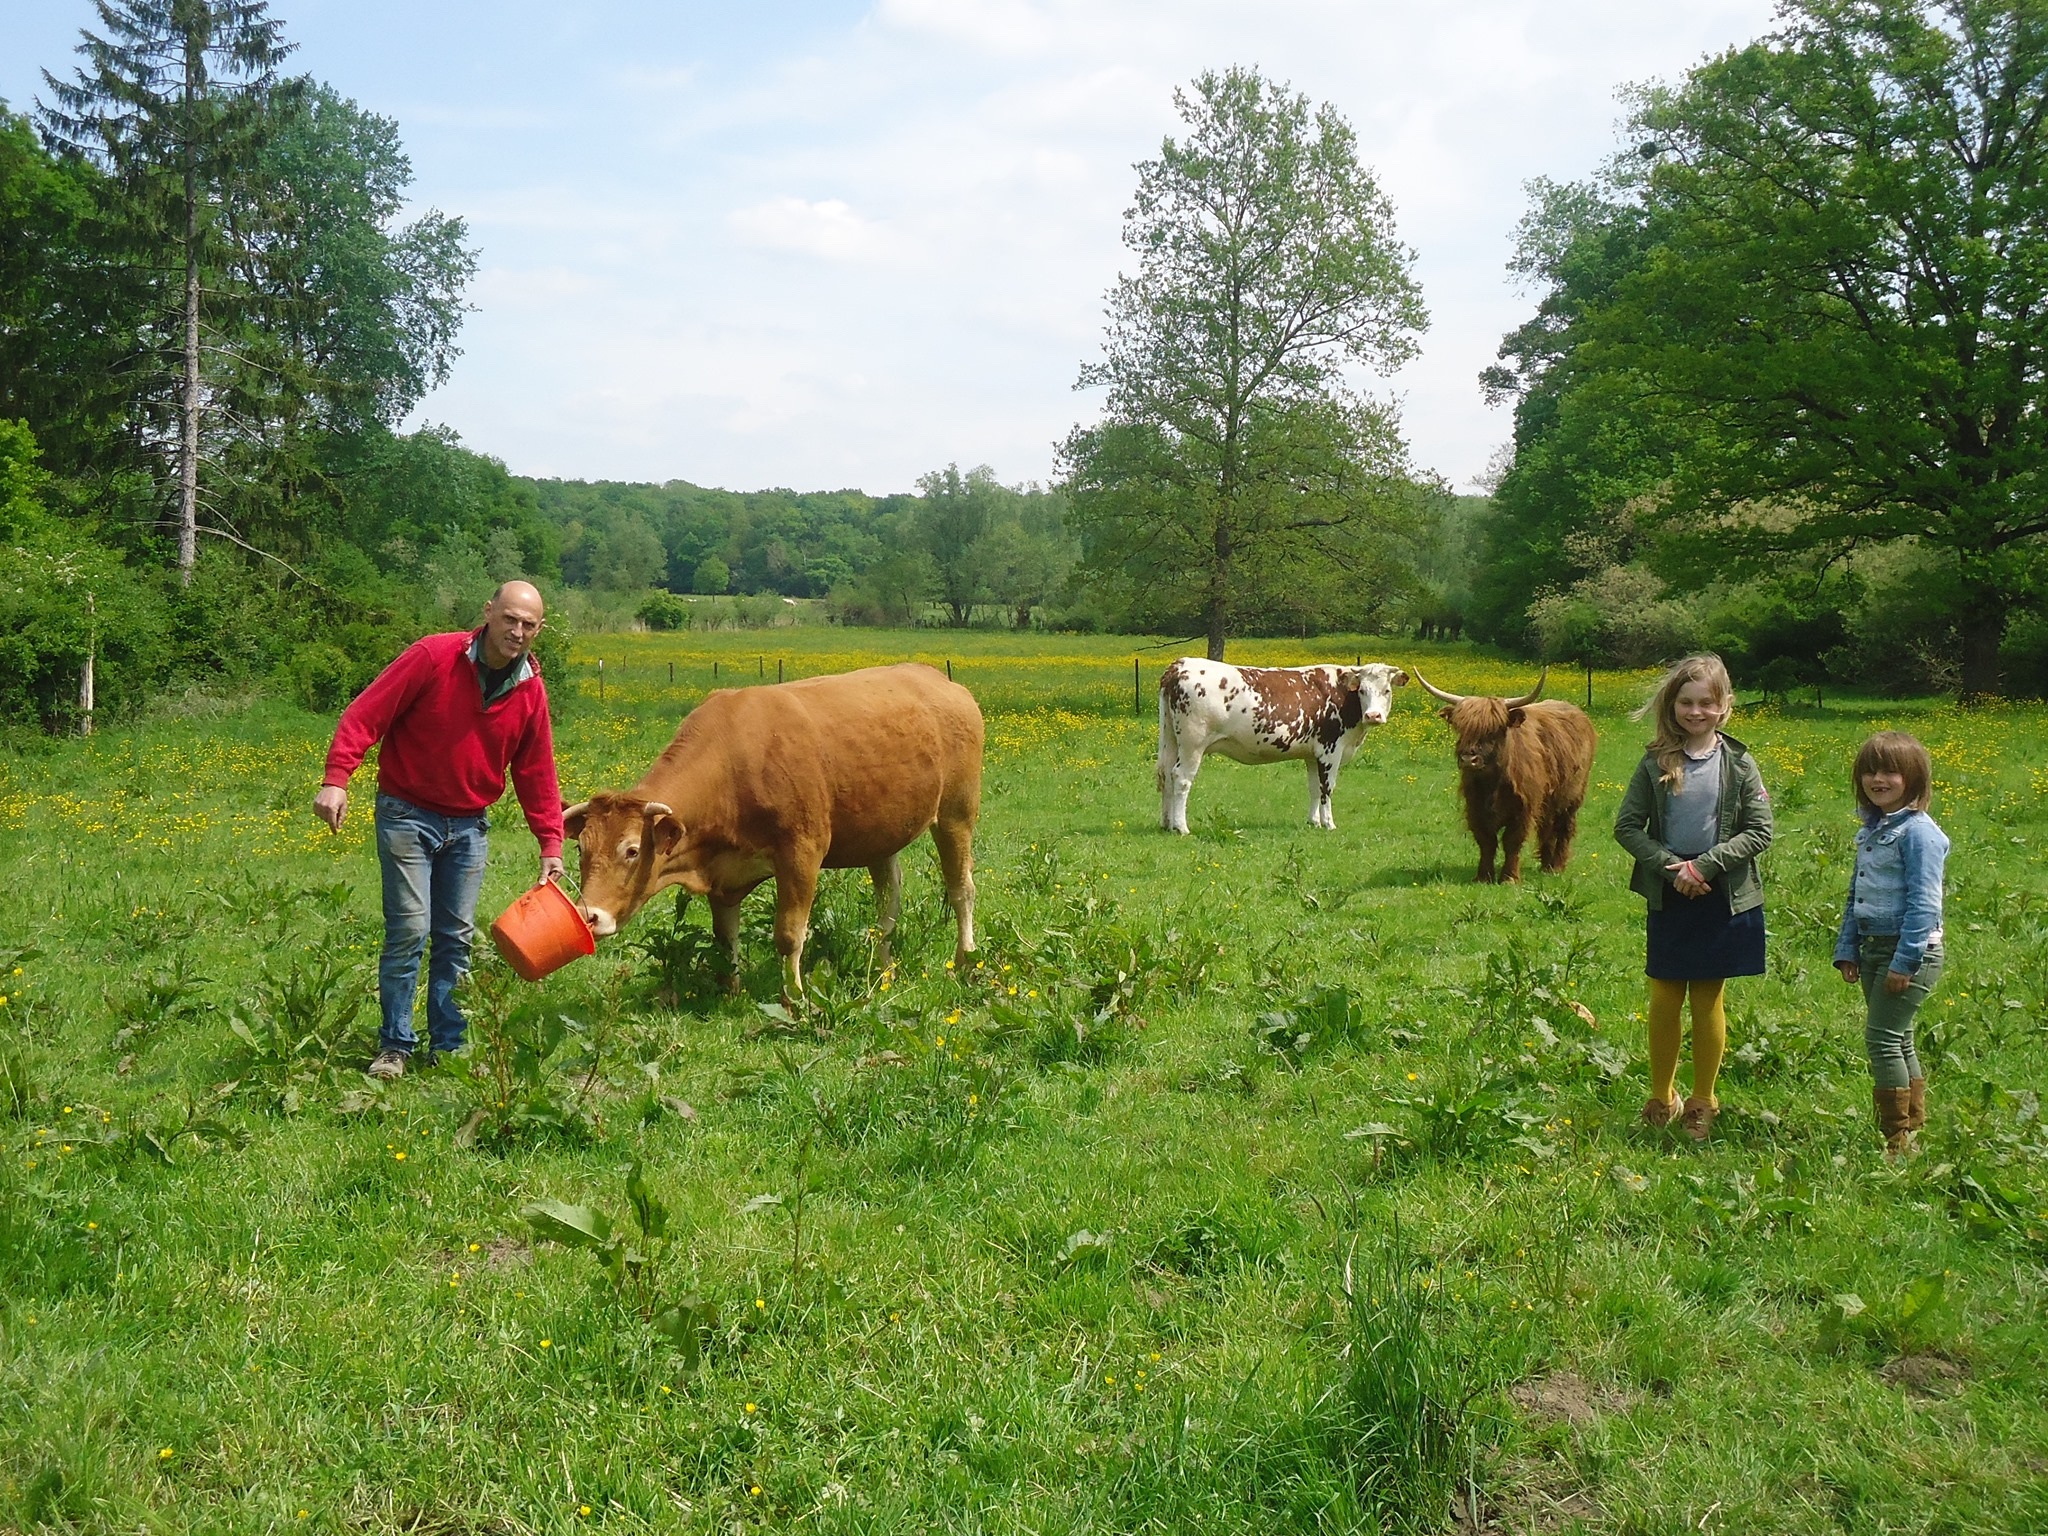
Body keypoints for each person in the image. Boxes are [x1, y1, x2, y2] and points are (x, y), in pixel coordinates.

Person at [314, 581, 566, 1080]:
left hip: (469, 826)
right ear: (488, 612)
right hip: (407, 814)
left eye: (528, 625)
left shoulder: (529, 689)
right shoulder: (434, 656)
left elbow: (536, 770)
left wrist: (550, 842)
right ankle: (395, 1047)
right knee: (410, 929)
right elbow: (366, 714)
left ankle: (448, 1048)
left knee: (455, 938)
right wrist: (337, 779)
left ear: (539, 630)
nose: (517, 632)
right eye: (510, 619)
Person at [1613, 654, 1773, 1141]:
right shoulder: (1654, 761)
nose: (1696, 711)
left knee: (1707, 998)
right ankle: (1663, 1095)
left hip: (1721, 893)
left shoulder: (1741, 763)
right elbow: (1625, 826)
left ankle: (1704, 1100)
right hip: (1669, 892)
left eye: (1708, 702)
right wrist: (1671, 867)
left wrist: (1703, 866)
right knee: (1664, 996)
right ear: (1672, 704)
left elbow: (1760, 829)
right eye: (1687, 701)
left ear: (1725, 707)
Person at [1833, 731, 1948, 1160]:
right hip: (1873, 948)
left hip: (1909, 952)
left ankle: (1897, 1139)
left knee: (1881, 1039)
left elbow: (1924, 905)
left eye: (1890, 771)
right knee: (1899, 1040)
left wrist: (1905, 962)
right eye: (1869, 770)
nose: (1877, 779)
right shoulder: (1873, 830)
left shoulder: (1919, 834)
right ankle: (1912, 1127)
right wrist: (1848, 949)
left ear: (1914, 778)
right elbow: (1855, 895)